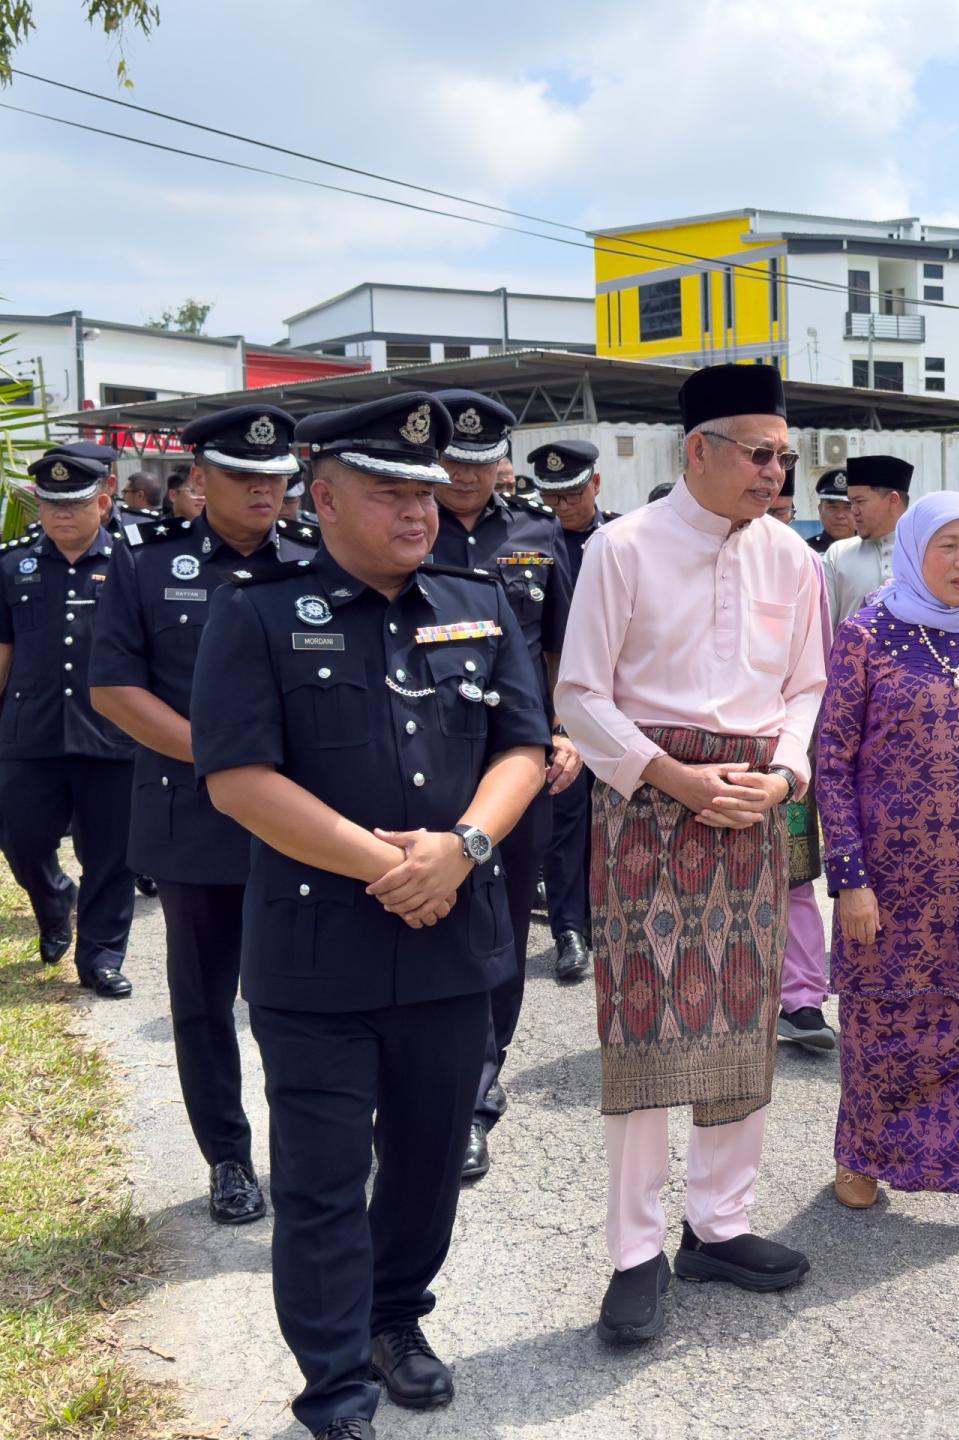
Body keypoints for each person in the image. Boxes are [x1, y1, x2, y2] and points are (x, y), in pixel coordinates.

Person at [192, 390, 548, 1435]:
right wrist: (388, 867)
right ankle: (336, 1381)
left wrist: (463, 849)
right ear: (326, 498)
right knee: (320, 1177)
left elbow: (524, 747)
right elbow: (237, 777)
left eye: (428, 492)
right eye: (390, 491)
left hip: (451, 945)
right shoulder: (256, 613)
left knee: (431, 1160)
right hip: (319, 954)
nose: (418, 511)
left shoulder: (471, 602)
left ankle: (399, 1318)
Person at [554, 362, 824, 1348]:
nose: (775, 474)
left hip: (752, 808)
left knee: (744, 1019)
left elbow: (806, 689)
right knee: (645, 1028)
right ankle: (634, 1254)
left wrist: (784, 778)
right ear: (698, 451)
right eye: (760, 455)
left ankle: (719, 1225)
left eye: (784, 457)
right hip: (649, 812)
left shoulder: (792, 557)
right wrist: (672, 778)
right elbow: (579, 697)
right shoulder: (621, 550)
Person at [92, 404, 317, 1227]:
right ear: (200, 481)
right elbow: (115, 691)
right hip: (195, 816)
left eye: (276, 477)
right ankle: (228, 1154)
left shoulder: (316, 563)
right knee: (204, 1000)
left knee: (307, 994)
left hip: (306, 818)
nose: (264, 491)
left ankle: (312, 1149)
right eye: (243, 476)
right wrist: (226, 758)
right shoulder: (147, 567)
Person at [816, 492, 959, 1254]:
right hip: (889, 869)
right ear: (915, 550)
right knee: (882, 1017)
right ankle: (864, 1155)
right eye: (947, 546)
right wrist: (849, 876)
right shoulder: (867, 632)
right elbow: (832, 761)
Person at [425, 389, 582, 1181]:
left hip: (513, 760)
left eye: (480, 461)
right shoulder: (406, 526)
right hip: (419, 756)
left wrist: (562, 733)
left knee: (502, 929)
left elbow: (560, 650)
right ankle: (422, 1088)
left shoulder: (536, 534)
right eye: (452, 459)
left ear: (503, 466)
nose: (464, 475)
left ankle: (479, 1097)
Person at [0, 452, 137, 996]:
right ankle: (53, 895)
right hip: (30, 728)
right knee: (21, 836)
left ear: (102, 503)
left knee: (110, 852)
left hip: (112, 730)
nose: (60, 515)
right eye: (51, 504)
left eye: (74, 504)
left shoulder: (133, 563)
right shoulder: (11, 565)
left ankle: (101, 956)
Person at [529, 439, 619, 989]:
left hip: (624, 698)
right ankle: (568, 929)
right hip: (557, 698)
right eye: (552, 495)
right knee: (566, 817)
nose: (563, 505)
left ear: (596, 485)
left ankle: (613, 920)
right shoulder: (532, 542)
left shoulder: (625, 539)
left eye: (572, 493)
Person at [765, 469, 835, 1052]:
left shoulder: (804, 564)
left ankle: (803, 999)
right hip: (696, 759)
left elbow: (820, 669)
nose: (771, 521)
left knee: (794, 874)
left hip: (788, 754)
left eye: (782, 511)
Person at [821, 455, 910, 627]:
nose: (853, 511)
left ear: (893, 500)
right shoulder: (838, 554)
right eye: (851, 502)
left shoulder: (927, 554)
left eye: (859, 502)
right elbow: (822, 630)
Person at [807, 467, 855, 555]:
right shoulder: (806, 551)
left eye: (848, 508)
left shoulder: (874, 551)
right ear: (820, 510)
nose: (840, 515)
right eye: (832, 507)